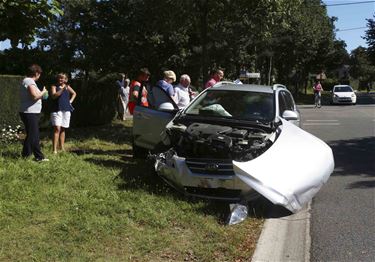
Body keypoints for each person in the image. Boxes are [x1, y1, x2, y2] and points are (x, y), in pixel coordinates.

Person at [19, 64, 49, 161]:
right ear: (36, 73)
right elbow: (34, 96)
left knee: (32, 135)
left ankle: (27, 156)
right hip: (29, 112)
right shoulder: (29, 81)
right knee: (33, 135)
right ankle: (38, 157)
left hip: (30, 112)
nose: (39, 76)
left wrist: (42, 94)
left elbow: (35, 96)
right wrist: (43, 92)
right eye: (39, 73)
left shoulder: (29, 81)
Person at [50, 73, 77, 154]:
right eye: (59, 78)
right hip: (56, 110)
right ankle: (54, 150)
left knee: (63, 129)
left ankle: (62, 148)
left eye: (62, 78)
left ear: (66, 79)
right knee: (57, 129)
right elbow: (54, 96)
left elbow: (74, 93)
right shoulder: (54, 86)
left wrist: (70, 101)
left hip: (66, 110)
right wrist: (62, 89)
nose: (60, 79)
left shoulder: (67, 87)